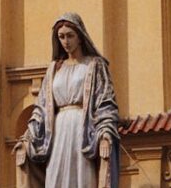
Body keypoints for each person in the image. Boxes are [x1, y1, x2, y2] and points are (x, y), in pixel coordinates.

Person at [15, 13, 120, 188]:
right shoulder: (54, 69)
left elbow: (105, 102)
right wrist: (27, 138)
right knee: (55, 176)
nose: (66, 41)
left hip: (83, 130)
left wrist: (105, 132)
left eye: (70, 36)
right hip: (57, 132)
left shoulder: (95, 65)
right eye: (61, 37)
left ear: (80, 36)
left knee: (83, 177)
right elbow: (41, 108)